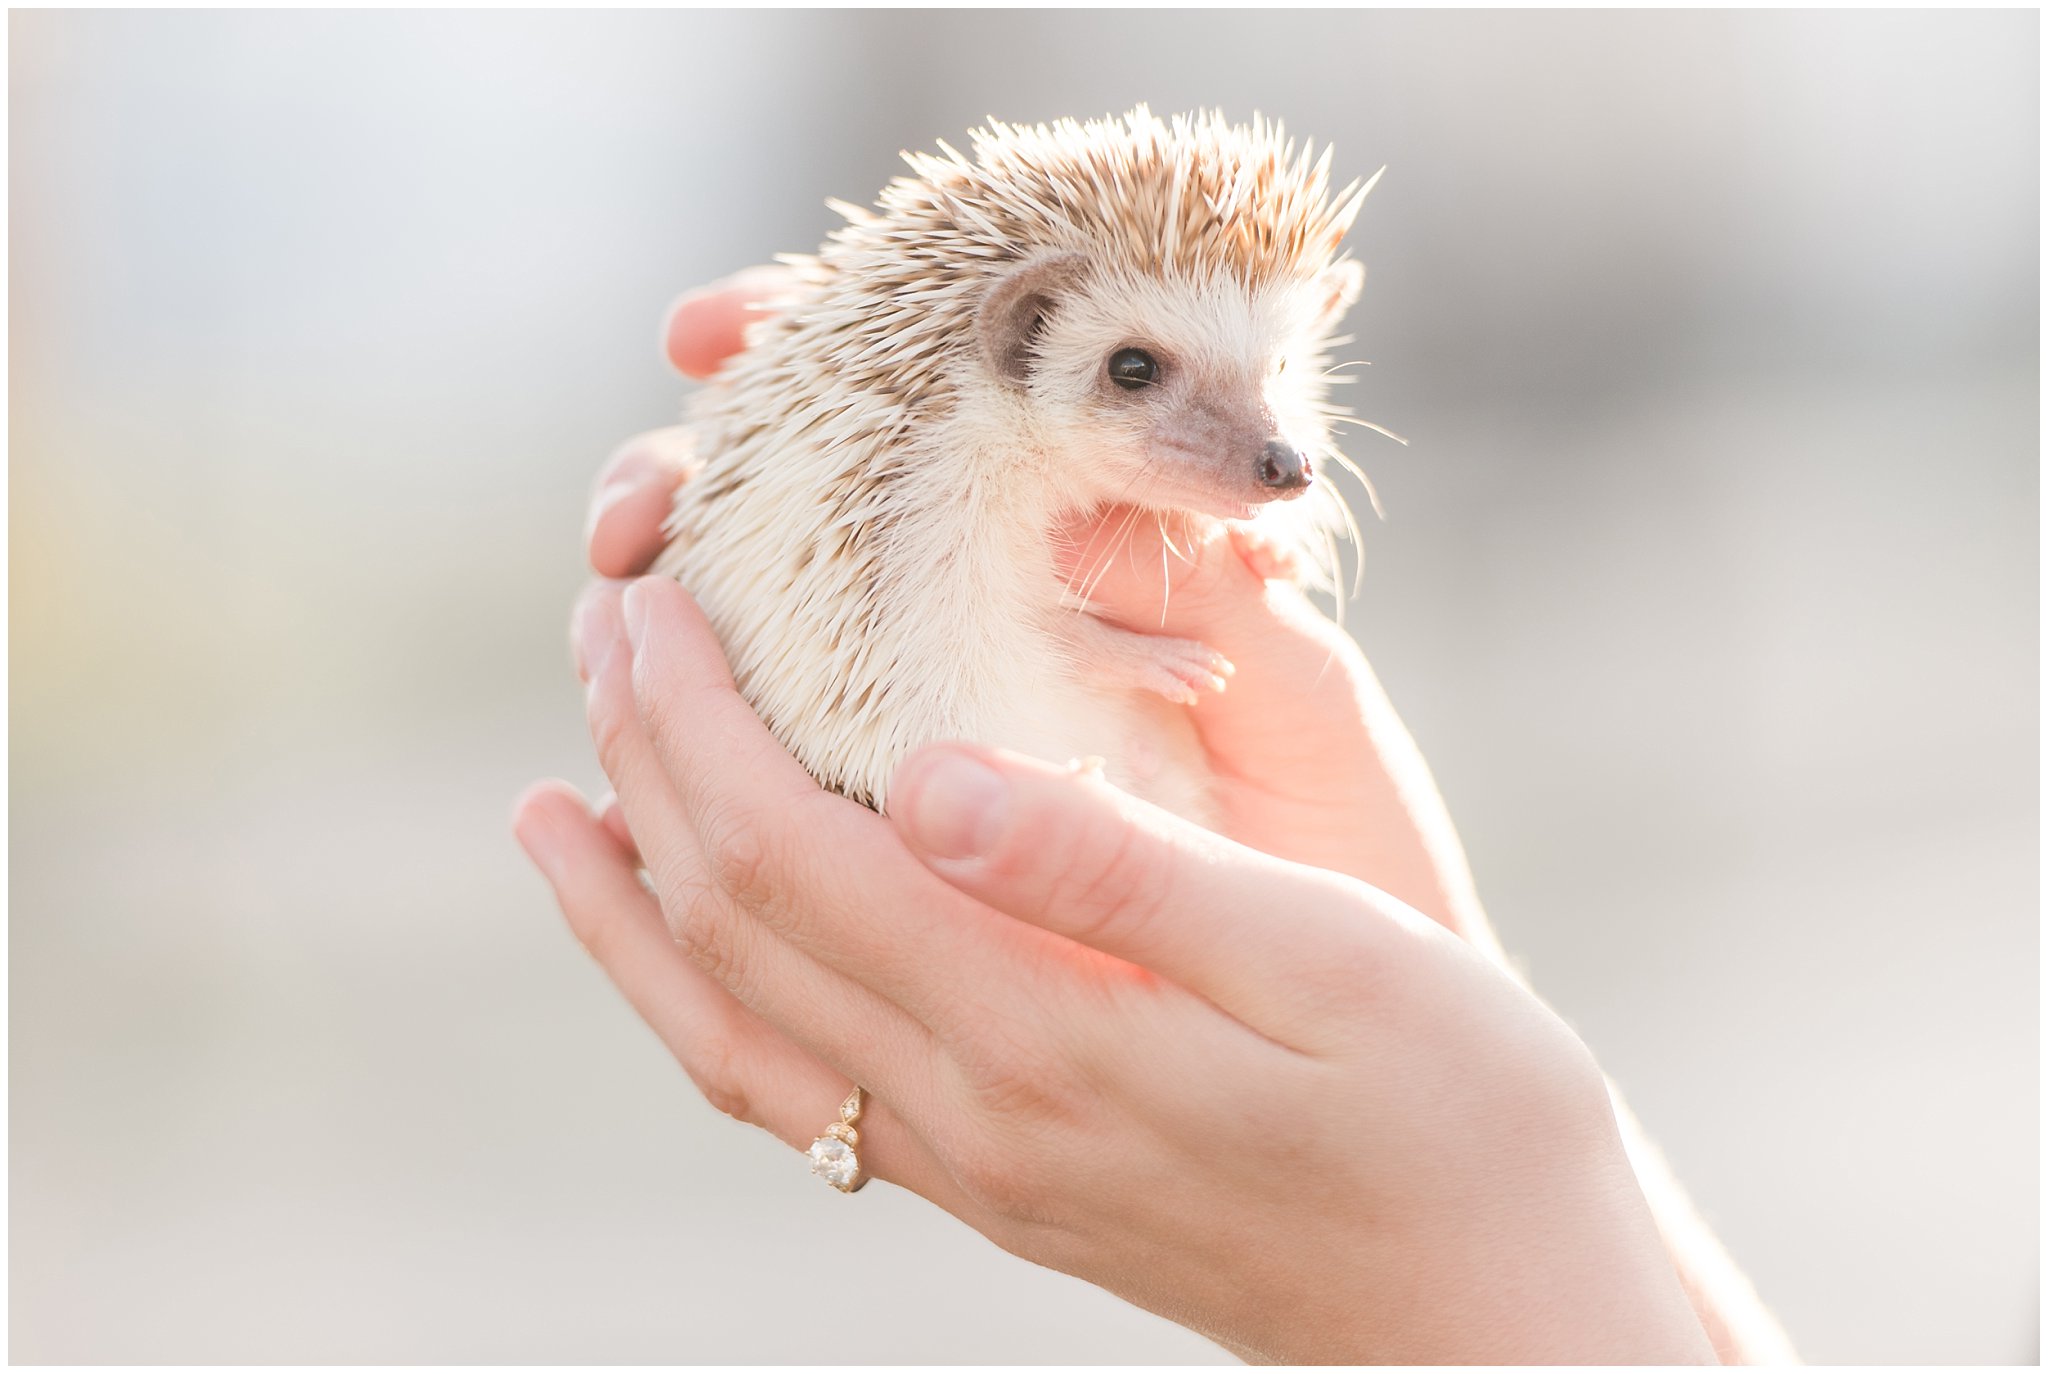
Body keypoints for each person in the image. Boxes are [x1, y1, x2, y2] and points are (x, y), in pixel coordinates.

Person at [512, 274, 1796, 1364]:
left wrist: (1464, 1281)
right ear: (1017, 345)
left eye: (1277, 377)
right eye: (1138, 371)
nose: (1271, 451)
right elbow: (919, 661)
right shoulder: (956, 452)